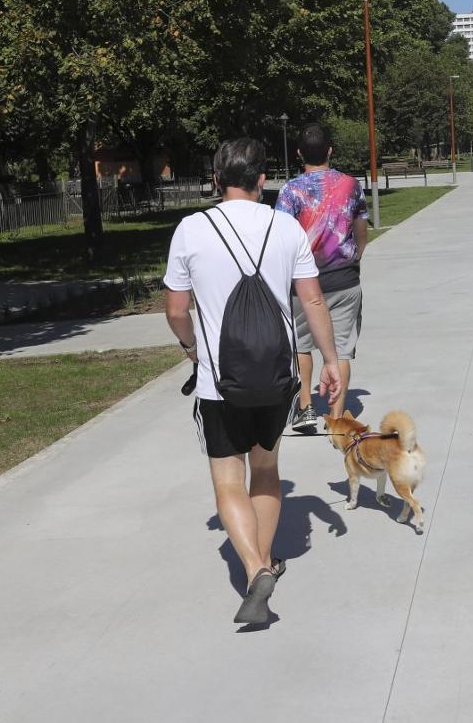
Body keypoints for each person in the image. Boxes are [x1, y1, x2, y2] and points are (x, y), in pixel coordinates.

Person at [164, 137, 340, 624]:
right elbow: (312, 300)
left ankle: (255, 568)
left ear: (216, 179)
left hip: (219, 382)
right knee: (265, 471)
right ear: (262, 179)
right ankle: (266, 562)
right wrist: (329, 360)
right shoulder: (285, 226)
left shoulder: (191, 229)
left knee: (228, 480)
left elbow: (176, 310)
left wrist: (192, 348)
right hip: (277, 377)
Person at [275, 123, 369, 430]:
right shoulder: (350, 185)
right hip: (344, 279)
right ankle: (336, 418)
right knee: (341, 349)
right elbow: (361, 230)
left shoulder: (290, 190)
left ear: (299, 153)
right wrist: (355, 257)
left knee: (301, 345)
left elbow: (281, 237)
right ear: (330, 150)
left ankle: (305, 407)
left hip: (302, 283)